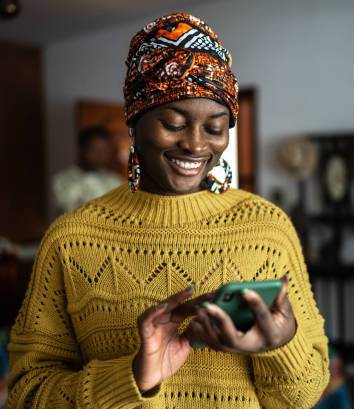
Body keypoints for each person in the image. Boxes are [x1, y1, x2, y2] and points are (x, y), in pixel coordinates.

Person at [7, 12, 329, 408]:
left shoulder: (267, 228)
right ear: (135, 122)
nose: (196, 146)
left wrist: (282, 344)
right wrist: (133, 378)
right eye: (173, 124)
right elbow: (27, 393)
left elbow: (303, 396)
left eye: (214, 128)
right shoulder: (71, 238)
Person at [52, 125, 122, 213]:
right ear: (83, 149)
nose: (101, 155)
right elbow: (68, 208)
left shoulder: (114, 181)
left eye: (105, 150)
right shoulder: (62, 180)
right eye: (97, 150)